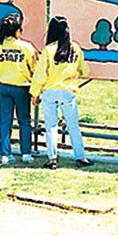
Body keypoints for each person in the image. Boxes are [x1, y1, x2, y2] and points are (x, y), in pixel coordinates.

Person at [30, 16, 94, 170]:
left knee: (51, 126)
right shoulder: (75, 48)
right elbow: (84, 70)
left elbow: (40, 75)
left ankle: (52, 158)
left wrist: (35, 93)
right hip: (68, 92)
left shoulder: (48, 50)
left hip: (49, 92)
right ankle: (80, 156)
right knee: (73, 126)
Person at [0, 14, 37, 165]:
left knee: (4, 121)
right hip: (22, 87)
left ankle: (5, 154)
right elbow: (34, 68)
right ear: (17, 31)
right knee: (24, 121)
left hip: (3, 86)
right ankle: (26, 153)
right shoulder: (26, 47)